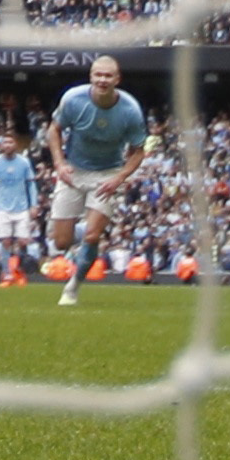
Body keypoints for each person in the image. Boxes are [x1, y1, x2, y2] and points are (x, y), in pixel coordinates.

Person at [44, 55, 151, 309]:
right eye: (98, 75)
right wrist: (59, 163)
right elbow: (53, 130)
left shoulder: (130, 110)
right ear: (91, 76)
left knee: (92, 235)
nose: (102, 80)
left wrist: (120, 177)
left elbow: (138, 150)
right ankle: (81, 230)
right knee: (61, 242)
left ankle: (73, 287)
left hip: (107, 174)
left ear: (117, 79)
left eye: (108, 76)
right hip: (74, 171)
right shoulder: (73, 99)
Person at [0, 137, 38, 276]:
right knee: (6, 240)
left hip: (21, 207)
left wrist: (34, 204)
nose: (8, 145)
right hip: (3, 207)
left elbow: (31, 183)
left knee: (23, 240)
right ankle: (6, 272)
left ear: (16, 144)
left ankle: (21, 270)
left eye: (11, 142)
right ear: (1, 145)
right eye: (5, 142)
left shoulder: (24, 162)